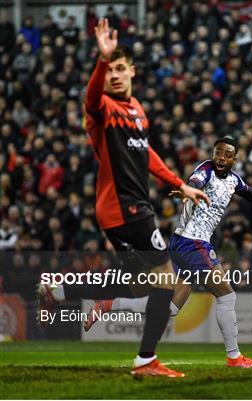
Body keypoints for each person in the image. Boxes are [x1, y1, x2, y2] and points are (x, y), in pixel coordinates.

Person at [37, 18, 209, 378]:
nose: (114, 74)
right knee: (166, 278)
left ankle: (58, 290)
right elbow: (90, 98)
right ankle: (146, 360)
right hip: (125, 206)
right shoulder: (102, 110)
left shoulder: (137, 111)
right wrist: (100, 60)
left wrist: (181, 183)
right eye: (109, 69)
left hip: (127, 206)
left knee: (138, 283)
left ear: (132, 71)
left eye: (119, 68)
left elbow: (146, 155)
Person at [84, 137, 252, 369]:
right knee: (227, 295)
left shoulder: (234, 181)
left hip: (181, 242)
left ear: (234, 160)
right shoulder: (205, 169)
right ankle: (234, 358)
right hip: (192, 242)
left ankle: (108, 304)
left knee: (170, 307)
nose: (221, 158)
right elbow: (195, 182)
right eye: (218, 152)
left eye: (227, 155)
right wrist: (187, 191)